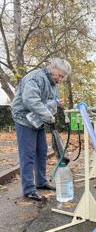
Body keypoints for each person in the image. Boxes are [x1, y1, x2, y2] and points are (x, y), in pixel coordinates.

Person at [12, 58, 72, 201]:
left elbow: (48, 100)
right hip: (24, 119)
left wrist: (56, 103)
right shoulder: (35, 77)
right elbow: (31, 100)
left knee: (42, 151)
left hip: (38, 120)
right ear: (52, 67)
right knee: (28, 154)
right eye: (60, 75)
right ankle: (29, 189)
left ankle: (41, 182)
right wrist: (47, 115)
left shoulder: (53, 83)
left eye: (63, 77)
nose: (61, 79)